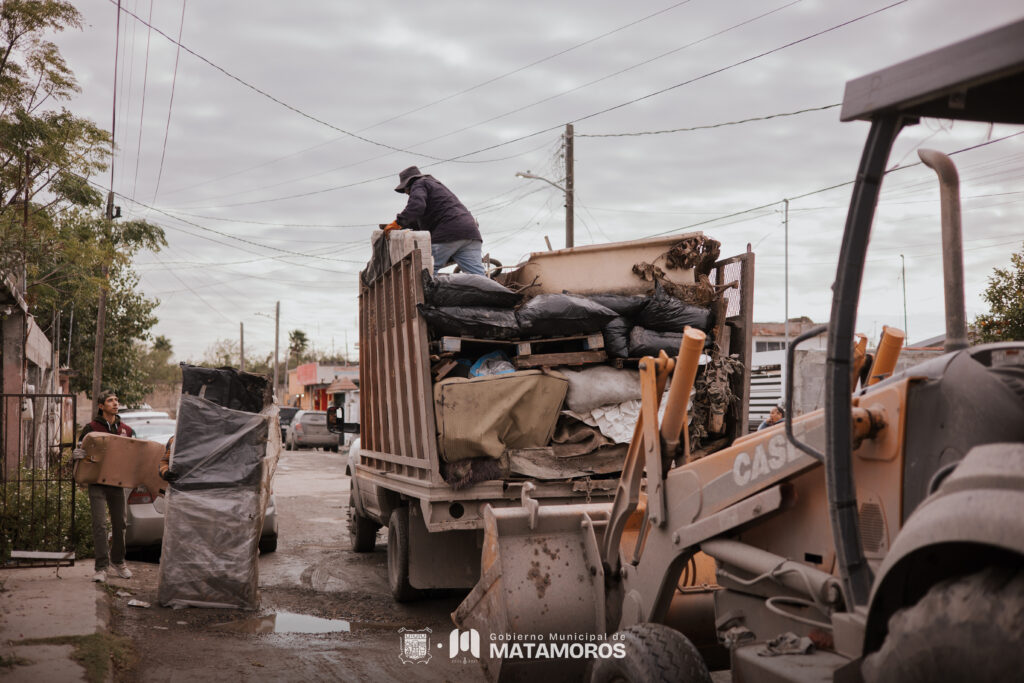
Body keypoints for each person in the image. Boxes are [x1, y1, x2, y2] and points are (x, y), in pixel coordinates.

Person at [77, 390, 135, 583]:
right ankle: (101, 567)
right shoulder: (91, 428)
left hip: (117, 483)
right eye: (110, 401)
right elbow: (80, 450)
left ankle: (118, 562)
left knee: (120, 524)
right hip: (97, 482)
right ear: (101, 406)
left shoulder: (125, 429)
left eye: (117, 400)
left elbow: (134, 454)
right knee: (100, 525)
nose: (115, 403)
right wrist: (77, 454)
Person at [384, 166, 486, 275]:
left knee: (424, 271)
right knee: (478, 276)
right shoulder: (436, 187)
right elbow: (421, 218)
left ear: (408, 184)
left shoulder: (418, 184)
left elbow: (416, 207)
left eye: (405, 190)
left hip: (449, 232)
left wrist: (398, 223)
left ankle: (428, 292)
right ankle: (491, 292)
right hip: (471, 233)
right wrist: (405, 225)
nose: (406, 193)